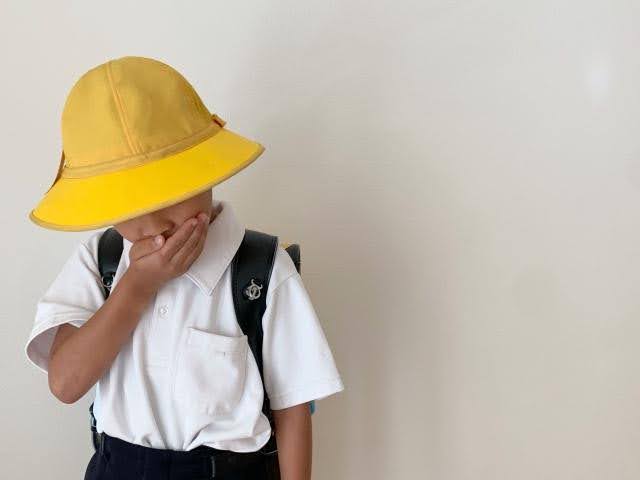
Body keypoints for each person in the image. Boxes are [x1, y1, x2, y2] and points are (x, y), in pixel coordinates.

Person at [24, 55, 344, 480]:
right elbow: (66, 384)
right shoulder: (100, 262)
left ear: (207, 169)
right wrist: (134, 287)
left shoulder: (262, 271)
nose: (155, 224)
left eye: (171, 191)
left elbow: (294, 407)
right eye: (127, 207)